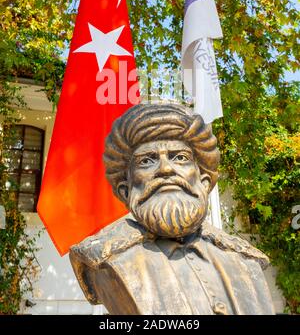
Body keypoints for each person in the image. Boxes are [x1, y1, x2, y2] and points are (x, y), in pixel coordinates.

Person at [70, 103, 275, 315]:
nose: (166, 169)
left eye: (180, 157)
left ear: (204, 182)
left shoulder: (246, 262)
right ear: (125, 191)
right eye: (147, 161)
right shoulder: (104, 261)